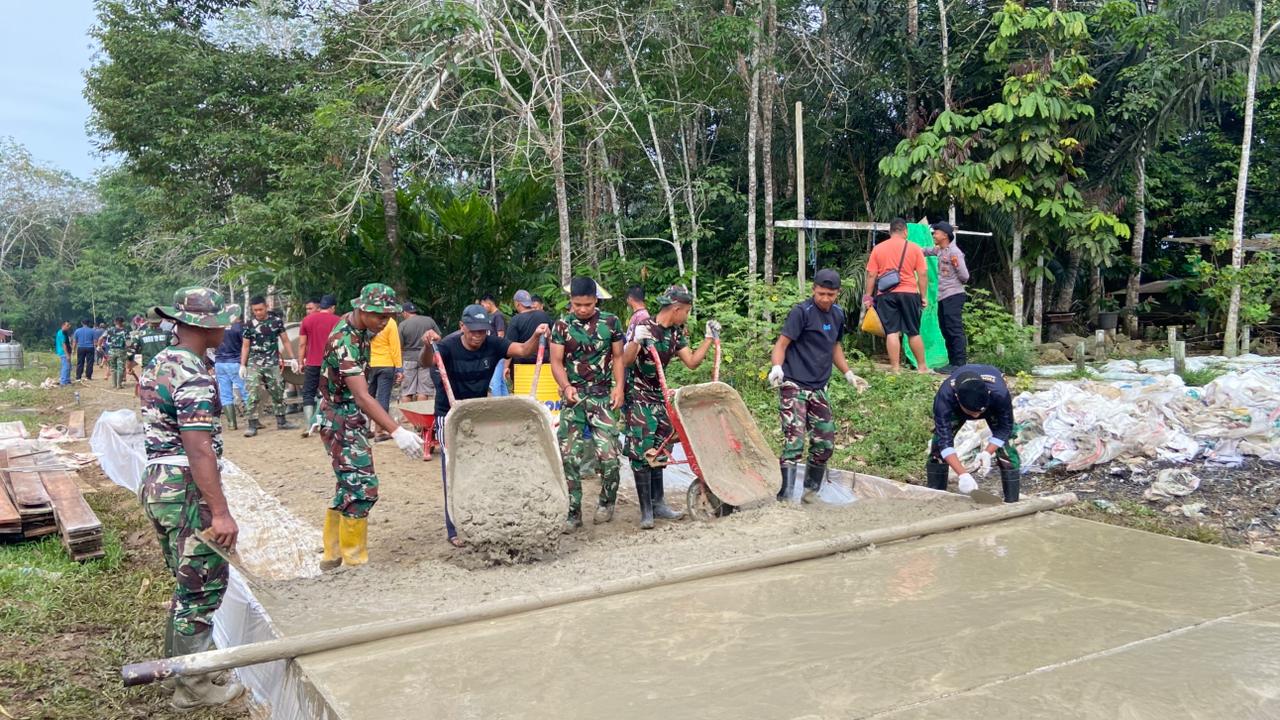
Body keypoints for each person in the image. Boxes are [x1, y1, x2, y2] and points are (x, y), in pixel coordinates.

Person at [137, 287, 245, 711]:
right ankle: (195, 688)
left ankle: (178, 669)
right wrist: (220, 511)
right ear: (206, 325)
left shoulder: (160, 363)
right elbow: (198, 446)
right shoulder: (194, 374)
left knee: (186, 584)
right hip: (185, 488)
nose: (226, 327)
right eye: (222, 321)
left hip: (159, 483)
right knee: (201, 586)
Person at [419, 305, 549, 546]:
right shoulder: (447, 345)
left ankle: (487, 517)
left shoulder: (493, 344)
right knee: (453, 467)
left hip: (478, 413)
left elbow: (522, 349)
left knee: (484, 465)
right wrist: (428, 344)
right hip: (449, 412)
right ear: (462, 327)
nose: (478, 336)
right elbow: (427, 362)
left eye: (482, 331)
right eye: (473, 331)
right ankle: (455, 527)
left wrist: (535, 336)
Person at [317, 284, 424, 568]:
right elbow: (363, 395)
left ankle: (333, 554)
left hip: (347, 414)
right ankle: (354, 561)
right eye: (379, 316)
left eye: (389, 317)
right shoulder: (345, 340)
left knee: (348, 484)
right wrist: (396, 430)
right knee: (364, 487)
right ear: (362, 309)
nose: (384, 322)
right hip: (339, 416)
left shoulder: (362, 331)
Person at [620, 284, 718, 528]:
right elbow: (625, 361)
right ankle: (646, 512)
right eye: (686, 311)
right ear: (677, 308)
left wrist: (709, 338)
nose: (687, 316)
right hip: (639, 397)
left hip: (660, 397)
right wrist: (635, 341)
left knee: (661, 448)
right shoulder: (646, 328)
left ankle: (659, 502)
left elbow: (692, 362)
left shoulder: (675, 334)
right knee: (643, 451)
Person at [768, 269, 868, 503]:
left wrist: (849, 374)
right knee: (795, 441)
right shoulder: (801, 312)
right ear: (813, 290)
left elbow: (835, 347)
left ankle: (810, 494)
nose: (825, 298)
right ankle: (785, 498)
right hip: (794, 383)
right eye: (821, 293)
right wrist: (777, 367)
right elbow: (781, 344)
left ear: (837, 294)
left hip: (818, 386)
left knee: (825, 444)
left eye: (830, 294)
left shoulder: (838, 315)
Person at [550, 277, 626, 529]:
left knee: (609, 456)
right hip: (574, 398)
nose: (582, 309)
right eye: (577, 304)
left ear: (596, 300)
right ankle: (573, 512)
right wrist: (566, 386)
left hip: (602, 397)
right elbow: (556, 362)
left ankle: (607, 501)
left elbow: (617, 357)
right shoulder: (561, 325)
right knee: (569, 456)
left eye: (588, 304)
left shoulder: (611, 322)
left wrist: (619, 388)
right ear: (570, 302)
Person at [927, 366, 1020, 503]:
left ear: (988, 393)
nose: (977, 416)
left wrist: (987, 452)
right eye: (972, 412)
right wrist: (963, 474)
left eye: (980, 412)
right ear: (957, 398)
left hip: (992, 406)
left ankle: (1012, 501)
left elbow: (1005, 428)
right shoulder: (944, 399)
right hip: (957, 410)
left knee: (1007, 448)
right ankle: (937, 497)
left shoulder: (999, 393)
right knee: (937, 450)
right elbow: (944, 441)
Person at [863, 217, 930, 373]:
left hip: (886, 294)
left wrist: (868, 297)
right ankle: (922, 367)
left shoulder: (878, 249)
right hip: (909, 293)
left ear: (890, 231)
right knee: (913, 332)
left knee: (891, 332)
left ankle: (895, 369)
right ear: (905, 231)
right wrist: (923, 296)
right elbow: (923, 274)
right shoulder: (914, 248)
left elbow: (871, 275)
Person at [239, 296, 298, 438]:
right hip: (254, 363)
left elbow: (286, 341)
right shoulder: (249, 325)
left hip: (272, 362)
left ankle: (281, 420)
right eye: (255, 310)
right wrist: (242, 364)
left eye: (260, 309)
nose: (258, 312)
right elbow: (245, 346)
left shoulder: (276, 322)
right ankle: (252, 424)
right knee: (253, 393)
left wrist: (293, 358)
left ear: (266, 307)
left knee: (278, 390)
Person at [922, 221, 970, 372]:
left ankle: (960, 363)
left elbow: (965, 276)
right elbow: (925, 251)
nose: (934, 235)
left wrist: (953, 283)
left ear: (944, 235)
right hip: (943, 296)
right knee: (945, 328)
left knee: (954, 329)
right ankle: (952, 362)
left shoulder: (954, 253)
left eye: (936, 232)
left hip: (953, 295)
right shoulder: (940, 250)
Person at [297, 294, 342, 432]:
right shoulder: (338, 321)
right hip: (331, 363)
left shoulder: (307, 320)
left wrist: (300, 362)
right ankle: (329, 423)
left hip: (312, 363)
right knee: (331, 392)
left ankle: (309, 425)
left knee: (308, 393)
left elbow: (302, 344)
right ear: (332, 307)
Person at [397, 302, 440, 403]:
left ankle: (406, 418)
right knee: (423, 391)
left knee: (407, 391)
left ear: (405, 313)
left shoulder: (403, 325)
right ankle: (421, 415)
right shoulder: (429, 320)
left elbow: (399, 345)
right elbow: (438, 337)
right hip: (426, 357)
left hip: (409, 359)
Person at [506, 289, 551, 378]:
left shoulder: (516, 320)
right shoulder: (544, 315)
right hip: (543, 359)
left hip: (523, 361)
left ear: (517, 304)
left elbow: (509, 346)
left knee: (522, 390)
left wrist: (506, 367)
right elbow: (552, 339)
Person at [367, 313, 401, 428]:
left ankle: (365, 427)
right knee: (383, 398)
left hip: (369, 363)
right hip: (386, 364)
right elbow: (395, 346)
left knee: (367, 397)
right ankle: (379, 430)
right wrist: (399, 368)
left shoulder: (368, 321)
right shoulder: (390, 323)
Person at [212, 314, 247, 429]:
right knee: (245, 391)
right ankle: (252, 420)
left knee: (225, 394)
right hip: (235, 363)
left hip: (219, 363)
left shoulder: (217, 327)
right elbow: (245, 345)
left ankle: (232, 424)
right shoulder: (239, 327)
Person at [128, 310, 175, 376]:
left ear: (147, 320)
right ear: (161, 320)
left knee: (147, 386)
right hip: (164, 369)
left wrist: (129, 366)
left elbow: (130, 352)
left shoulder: (139, 335)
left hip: (147, 369)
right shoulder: (168, 335)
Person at [479, 293, 509, 397]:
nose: (482, 308)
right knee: (500, 381)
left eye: (483, 305)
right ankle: (507, 403)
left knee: (494, 382)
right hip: (493, 352)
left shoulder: (498, 316)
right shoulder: (490, 316)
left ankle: (497, 406)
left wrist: (496, 352)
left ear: (489, 303)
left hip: (497, 353)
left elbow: (501, 335)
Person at [103, 316, 131, 389]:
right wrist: (129, 349)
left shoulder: (109, 330)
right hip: (121, 351)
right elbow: (128, 343)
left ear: (115, 322)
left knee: (113, 367)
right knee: (120, 368)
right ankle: (119, 385)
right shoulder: (125, 331)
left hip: (111, 351)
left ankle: (113, 384)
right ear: (122, 322)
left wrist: (99, 346)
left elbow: (101, 338)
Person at [55, 321, 72, 385]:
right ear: (63, 326)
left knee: (68, 366)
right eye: (67, 326)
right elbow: (63, 344)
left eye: (69, 326)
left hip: (66, 352)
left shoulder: (64, 333)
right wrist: (67, 354)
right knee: (65, 367)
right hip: (63, 352)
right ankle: (63, 382)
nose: (68, 327)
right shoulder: (61, 333)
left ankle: (67, 380)